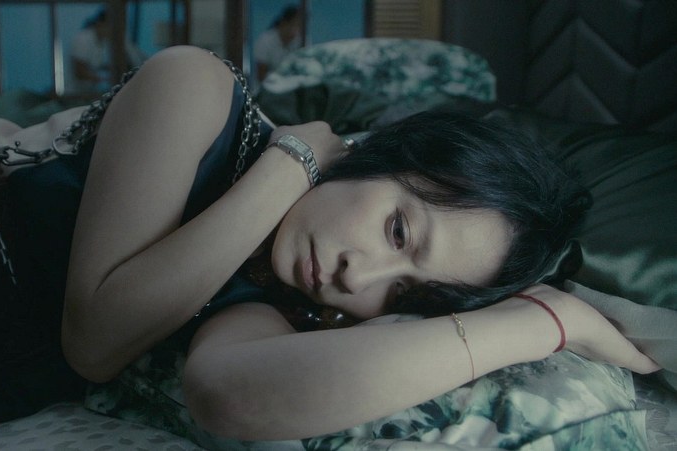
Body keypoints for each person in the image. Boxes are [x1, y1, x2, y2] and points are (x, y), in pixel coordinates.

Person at [59, 46, 660, 440]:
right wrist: (292, 162)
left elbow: (226, 393)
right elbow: (94, 342)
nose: (358, 278)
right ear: (378, 155)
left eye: (401, 293)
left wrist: (545, 322)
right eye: (398, 231)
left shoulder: (276, 296)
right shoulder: (196, 88)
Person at [253, 5, 302, 82]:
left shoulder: (299, 41)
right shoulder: (265, 41)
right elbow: (261, 75)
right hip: (267, 86)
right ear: (284, 23)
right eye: (294, 25)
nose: (296, 31)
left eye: (299, 27)